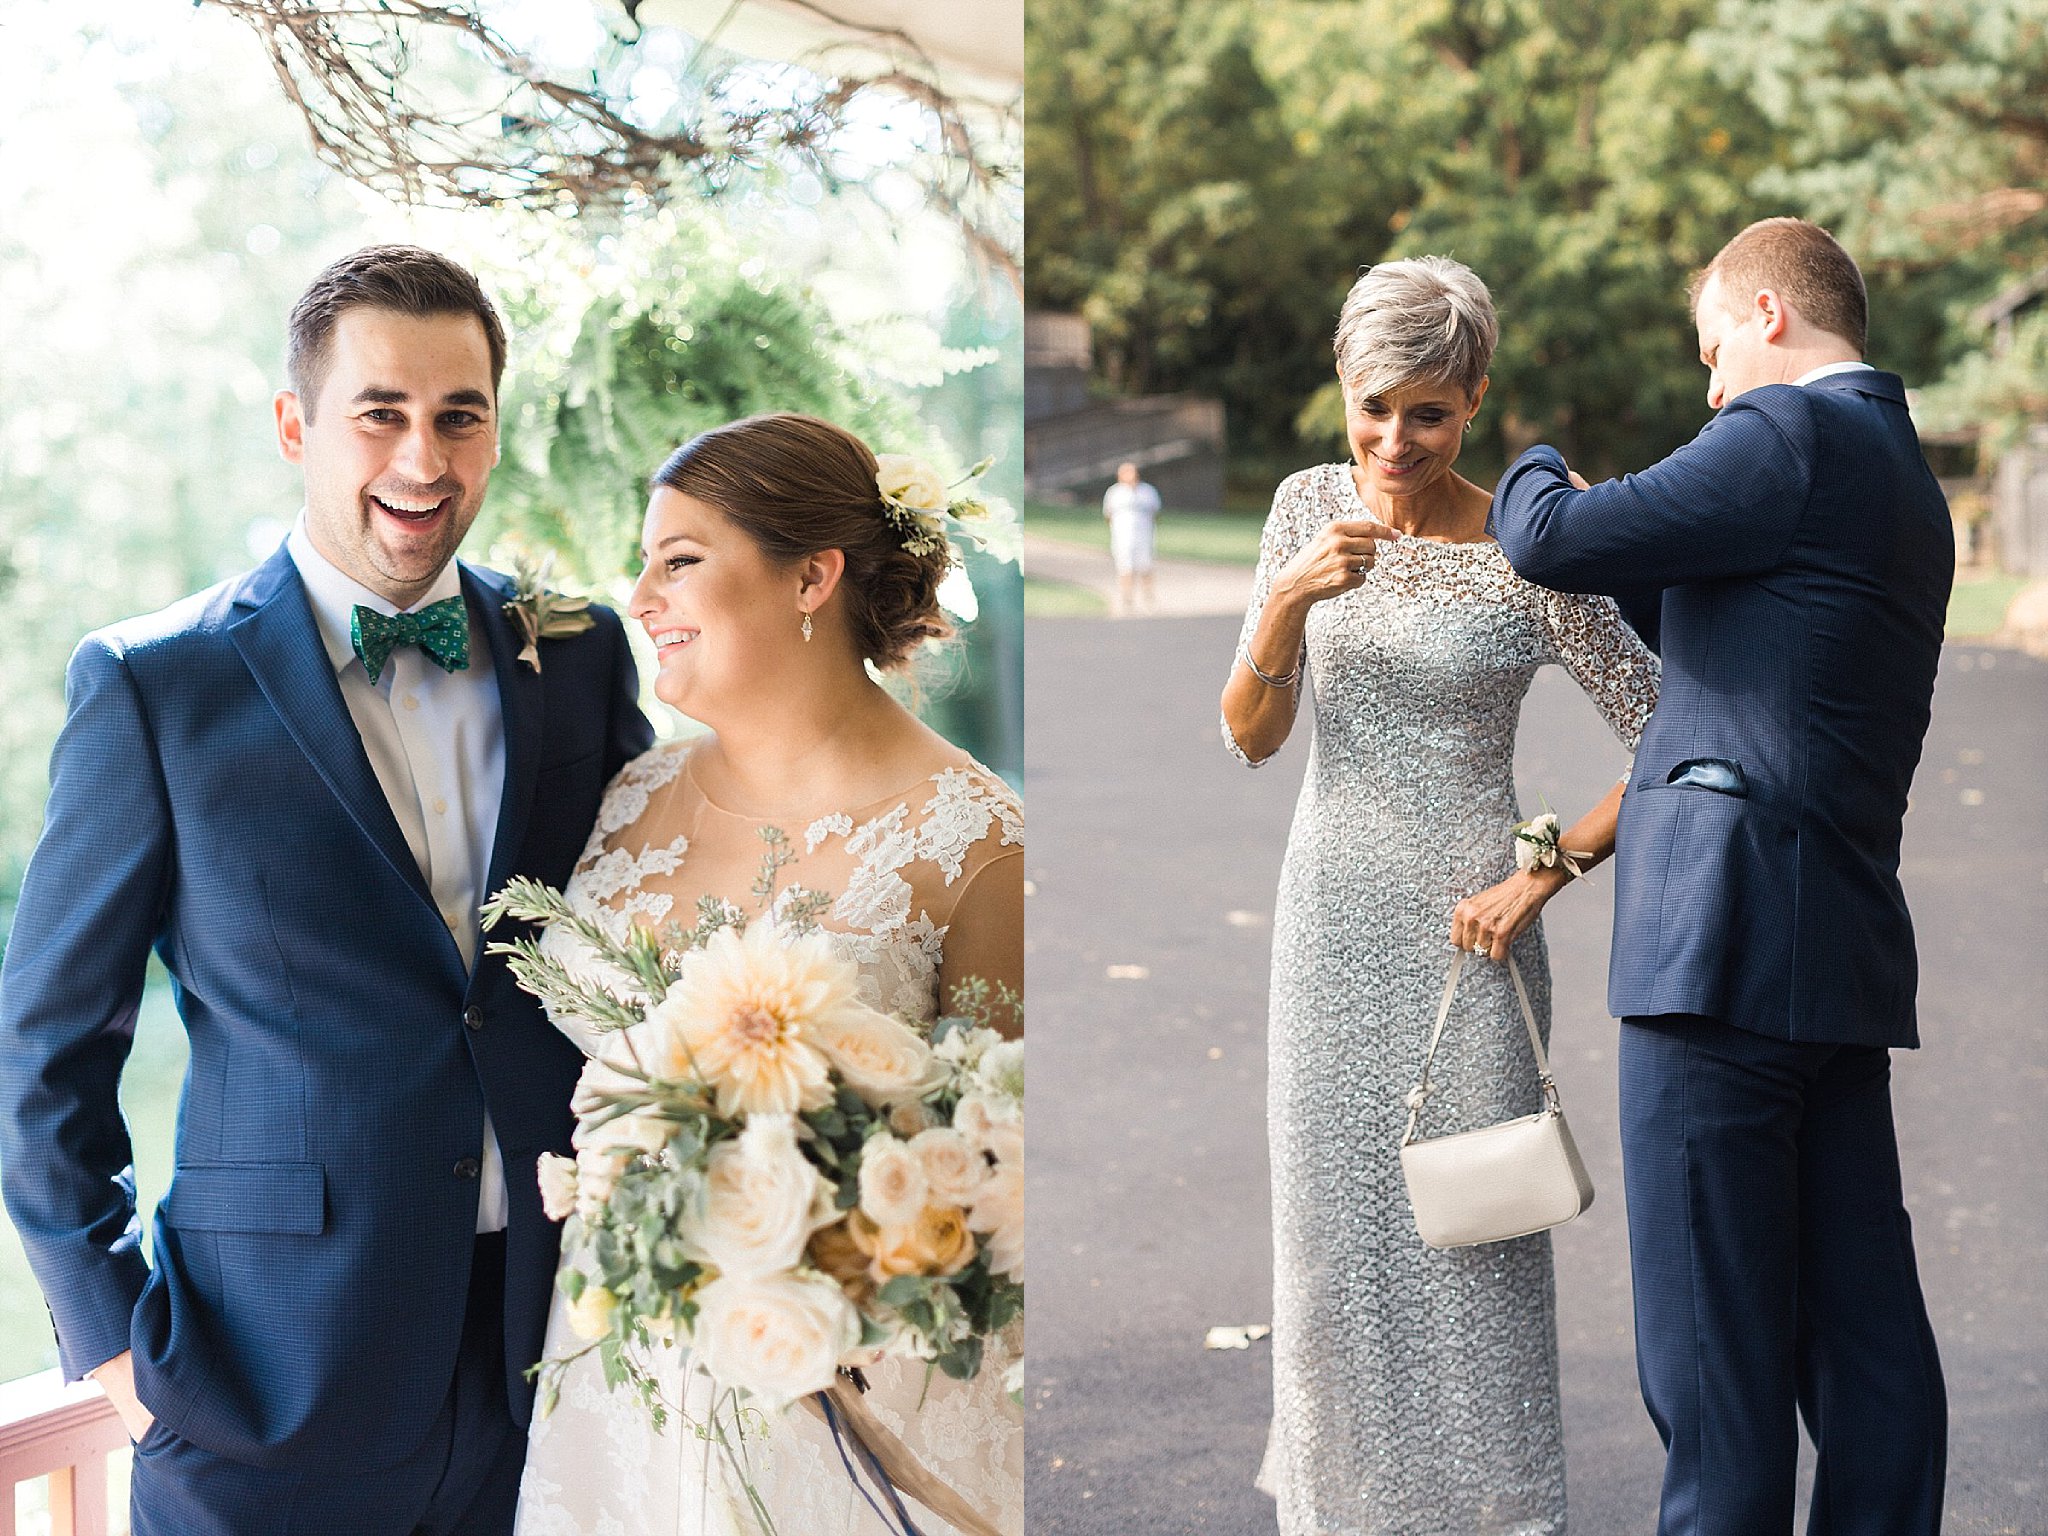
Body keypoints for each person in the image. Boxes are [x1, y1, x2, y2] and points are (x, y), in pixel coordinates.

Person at [0, 245, 652, 1534]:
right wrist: (126, 1362)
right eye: (381, 413)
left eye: (459, 415)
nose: (425, 457)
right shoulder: (155, 687)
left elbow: (641, 942)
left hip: (556, 1353)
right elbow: (45, 1050)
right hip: (263, 1382)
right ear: (297, 424)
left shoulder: (574, 654)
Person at [1491, 216, 1949, 1535]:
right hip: (1832, 953)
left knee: (1715, 1370)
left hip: (1718, 947)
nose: (1707, 392)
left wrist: (1535, 455)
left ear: (1764, 315)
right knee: (1864, 1346)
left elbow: (1552, 540)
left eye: (1709, 354)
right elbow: (1731, 633)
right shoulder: (1901, 483)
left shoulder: (1787, 436)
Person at [512, 413, 1024, 1536]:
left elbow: (997, 1170)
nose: (640, 595)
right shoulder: (628, 795)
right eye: (644, 560)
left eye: (680, 560)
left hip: (843, 1404)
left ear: (812, 578)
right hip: (613, 1372)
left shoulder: (973, 840)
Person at [1220, 256, 1660, 1535]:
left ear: (1474, 399)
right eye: (1371, 407)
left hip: (1471, 939)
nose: (1392, 441)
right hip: (1327, 917)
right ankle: (1339, 1506)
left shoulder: (1528, 550)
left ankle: (1495, 1513)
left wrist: (1542, 872)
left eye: (1426, 411)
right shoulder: (1305, 506)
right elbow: (1249, 735)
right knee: (1332, 1243)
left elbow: (1667, 725)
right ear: (1339, 395)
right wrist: (1292, 596)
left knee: (1471, 1235)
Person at [1103, 460, 1161, 614]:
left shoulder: (1148, 491)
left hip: (1144, 535)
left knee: (1145, 566)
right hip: (1122, 536)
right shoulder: (1114, 492)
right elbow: (1108, 515)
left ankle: (1149, 598)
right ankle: (1127, 599)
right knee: (1125, 566)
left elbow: (1156, 513)